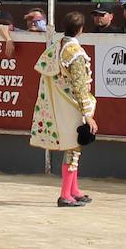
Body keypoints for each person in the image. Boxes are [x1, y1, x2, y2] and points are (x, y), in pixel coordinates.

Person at [30, 11, 97, 207]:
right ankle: (65, 194)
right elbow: (79, 85)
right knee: (72, 148)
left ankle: (74, 190)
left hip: (63, 102)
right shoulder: (74, 54)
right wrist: (87, 114)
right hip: (72, 105)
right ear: (81, 30)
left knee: (74, 149)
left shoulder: (58, 46)